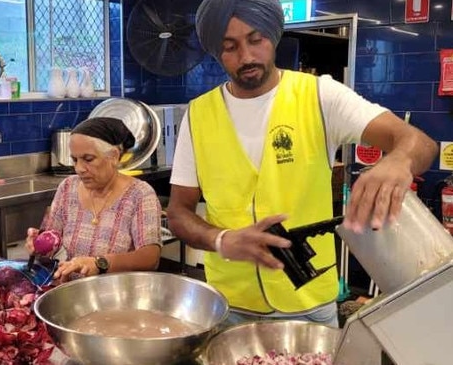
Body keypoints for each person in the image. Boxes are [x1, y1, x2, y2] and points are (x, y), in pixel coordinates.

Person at [166, 0, 438, 327]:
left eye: (256, 40)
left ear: (273, 35)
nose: (247, 56)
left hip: (309, 306)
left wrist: (398, 161)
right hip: (228, 307)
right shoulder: (197, 116)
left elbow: (419, 143)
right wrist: (223, 240)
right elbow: (179, 213)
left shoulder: (320, 95)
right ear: (216, 52)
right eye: (230, 47)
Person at [25, 117, 162, 282]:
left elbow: (150, 257)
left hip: (119, 296)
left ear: (113, 156)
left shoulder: (139, 194)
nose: (79, 169)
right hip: (73, 291)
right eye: (75, 160)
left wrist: (99, 264)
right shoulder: (68, 188)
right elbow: (50, 238)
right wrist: (38, 245)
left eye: (88, 159)